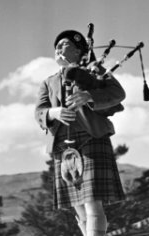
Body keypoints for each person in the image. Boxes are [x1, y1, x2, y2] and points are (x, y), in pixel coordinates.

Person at [35, 30, 126, 236]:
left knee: (93, 205)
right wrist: (53, 112)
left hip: (91, 139)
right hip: (62, 145)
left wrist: (89, 95)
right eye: (56, 45)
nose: (58, 47)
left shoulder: (95, 70)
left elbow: (118, 94)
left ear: (79, 50)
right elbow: (39, 112)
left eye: (64, 44)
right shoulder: (48, 82)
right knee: (79, 207)